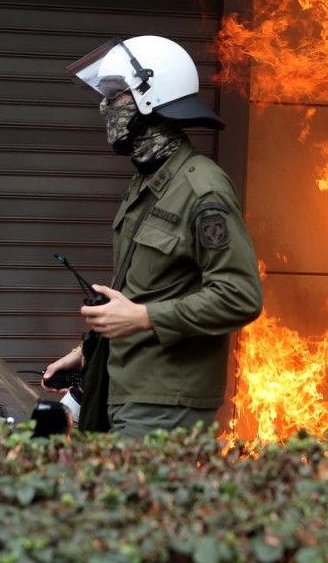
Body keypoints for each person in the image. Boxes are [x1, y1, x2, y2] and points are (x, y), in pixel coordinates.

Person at [42, 36, 263, 437]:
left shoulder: (202, 189)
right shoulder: (147, 182)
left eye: (116, 95)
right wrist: (86, 353)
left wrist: (143, 318)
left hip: (165, 403)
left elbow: (240, 295)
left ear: (151, 97)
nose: (105, 106)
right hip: (123, 390)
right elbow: (146, 289)